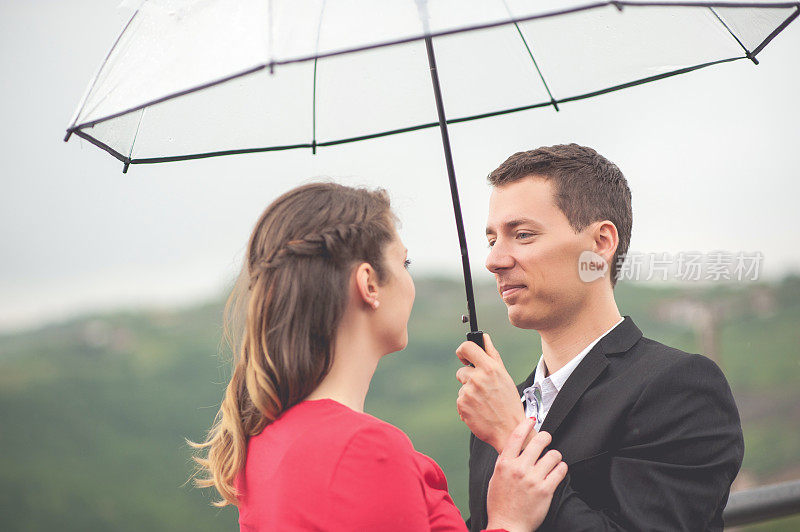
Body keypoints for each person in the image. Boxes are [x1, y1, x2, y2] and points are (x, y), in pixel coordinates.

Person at [191, 182, 568, 532]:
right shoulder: (364, 450)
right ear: (369, 283)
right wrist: (508, 520)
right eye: (404, 264)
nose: (409, 282)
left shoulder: (261, 440)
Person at [455, 144, 744, 531]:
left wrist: (513, 437)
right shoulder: (499, 408)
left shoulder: (679, 388)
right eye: (492, 241)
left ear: (601, 243)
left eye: (522, 235)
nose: (494, 260)